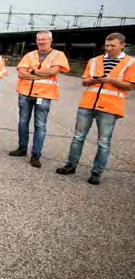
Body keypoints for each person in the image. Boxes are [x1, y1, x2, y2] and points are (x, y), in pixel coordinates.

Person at [56, 32, 134, 185]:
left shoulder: (130, 62)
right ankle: (70, 166)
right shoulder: (94, 61)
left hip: (110, 107)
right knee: (78, 137)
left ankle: (96, 173)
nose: (109, 48)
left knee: (103, 142)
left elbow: (131, 85)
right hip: (87, 104)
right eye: (107, 45)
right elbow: (84, 81)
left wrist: (111, 80)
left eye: (113, 45)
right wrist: (92, 81)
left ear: (122, 45)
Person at [8, 30, 70, 168]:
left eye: (44, 39)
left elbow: (53, 71)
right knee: (23, 121)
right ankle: (22, 149)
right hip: (25, 94)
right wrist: (42, 75)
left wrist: (34, 71)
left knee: (40, 125)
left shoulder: (58, 55)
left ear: (50, 40)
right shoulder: (29, 55)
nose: (41, 42)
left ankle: (36, 155)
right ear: (36, 41)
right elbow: (21, 74)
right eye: (39, 40)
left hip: (44, 95)